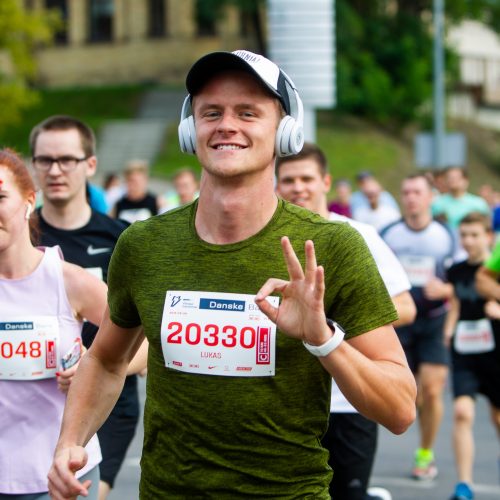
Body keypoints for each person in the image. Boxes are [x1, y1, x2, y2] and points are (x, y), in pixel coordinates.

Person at [48, 49, 416, 500]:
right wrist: (71, 441)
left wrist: (324, 339)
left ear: (285, 132)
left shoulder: (331, 248)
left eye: (248, 113)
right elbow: (106, 359)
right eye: (211, 113)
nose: (227, 125)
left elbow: (399, 408)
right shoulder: (144, 245)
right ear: (191, 130)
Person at [275, 142, 416, 500]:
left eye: (306, 178)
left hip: (348, 399)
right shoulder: (270, 239)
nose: (298, 187)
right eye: (288, 180)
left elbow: (406, 305)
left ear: (325, 181)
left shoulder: (357, 236)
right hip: (286, 401)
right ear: (276, 185)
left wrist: (329, 324)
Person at [29, 115, 147, 500]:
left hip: (108, 405)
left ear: (90, 165)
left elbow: (150, 341)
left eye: (67, 159)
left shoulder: (123, 241)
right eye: (45, 160)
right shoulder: (18, 239)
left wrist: (92, 368)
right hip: (30, 407)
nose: (55, 170)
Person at [0, 148, 106, 499]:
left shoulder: (67, 279)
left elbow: (141, 340)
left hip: (60, 473)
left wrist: (92, 366)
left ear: (29, 201)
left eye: (0, 197)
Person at [381, 173, 462, 480]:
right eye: (406, 191)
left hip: (434, 319)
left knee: (431, 389)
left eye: (417, 192)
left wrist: (446, 291)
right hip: (400, 320)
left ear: (430, 197)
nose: (411, 197)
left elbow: (464, 280)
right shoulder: (389, 234)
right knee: (412, 394)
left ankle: (425, 454)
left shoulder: (445, 235)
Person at [444, 212, 500, 500]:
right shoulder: (456, 270)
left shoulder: (496, 269)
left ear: (489, 236)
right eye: (463, 235)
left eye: (475, 235)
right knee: (462, 412)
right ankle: (464, 484)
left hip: (496, 352)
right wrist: (449, 329)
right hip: (465, 351)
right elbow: (455, 303)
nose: (468, 241)